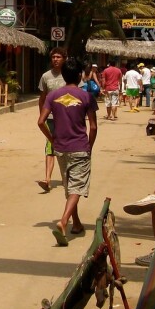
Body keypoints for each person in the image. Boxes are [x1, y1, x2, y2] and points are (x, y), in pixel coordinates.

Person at [37, 57, 97, 246]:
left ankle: (77, 223)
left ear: (63, 75)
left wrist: (52, 139)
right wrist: (89, 146)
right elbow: (93, 127)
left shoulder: (53, 96)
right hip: (79, 147)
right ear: (80, 75)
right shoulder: (86, 96)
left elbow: (40, 121)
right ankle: (64, 222)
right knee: (77, 188)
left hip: (60, 149)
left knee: (70, 187)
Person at [37, 47, 67, 192]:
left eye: (58, 57)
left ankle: (67, 177)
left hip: (67, 118)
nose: (55, 59)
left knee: (66, 147)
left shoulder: (70, 74)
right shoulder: (46, 76)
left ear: (64, 59)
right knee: (50, 146)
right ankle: (47, 179)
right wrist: (41, 115)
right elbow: (42, 98)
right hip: (50, 118)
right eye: (53, 57)